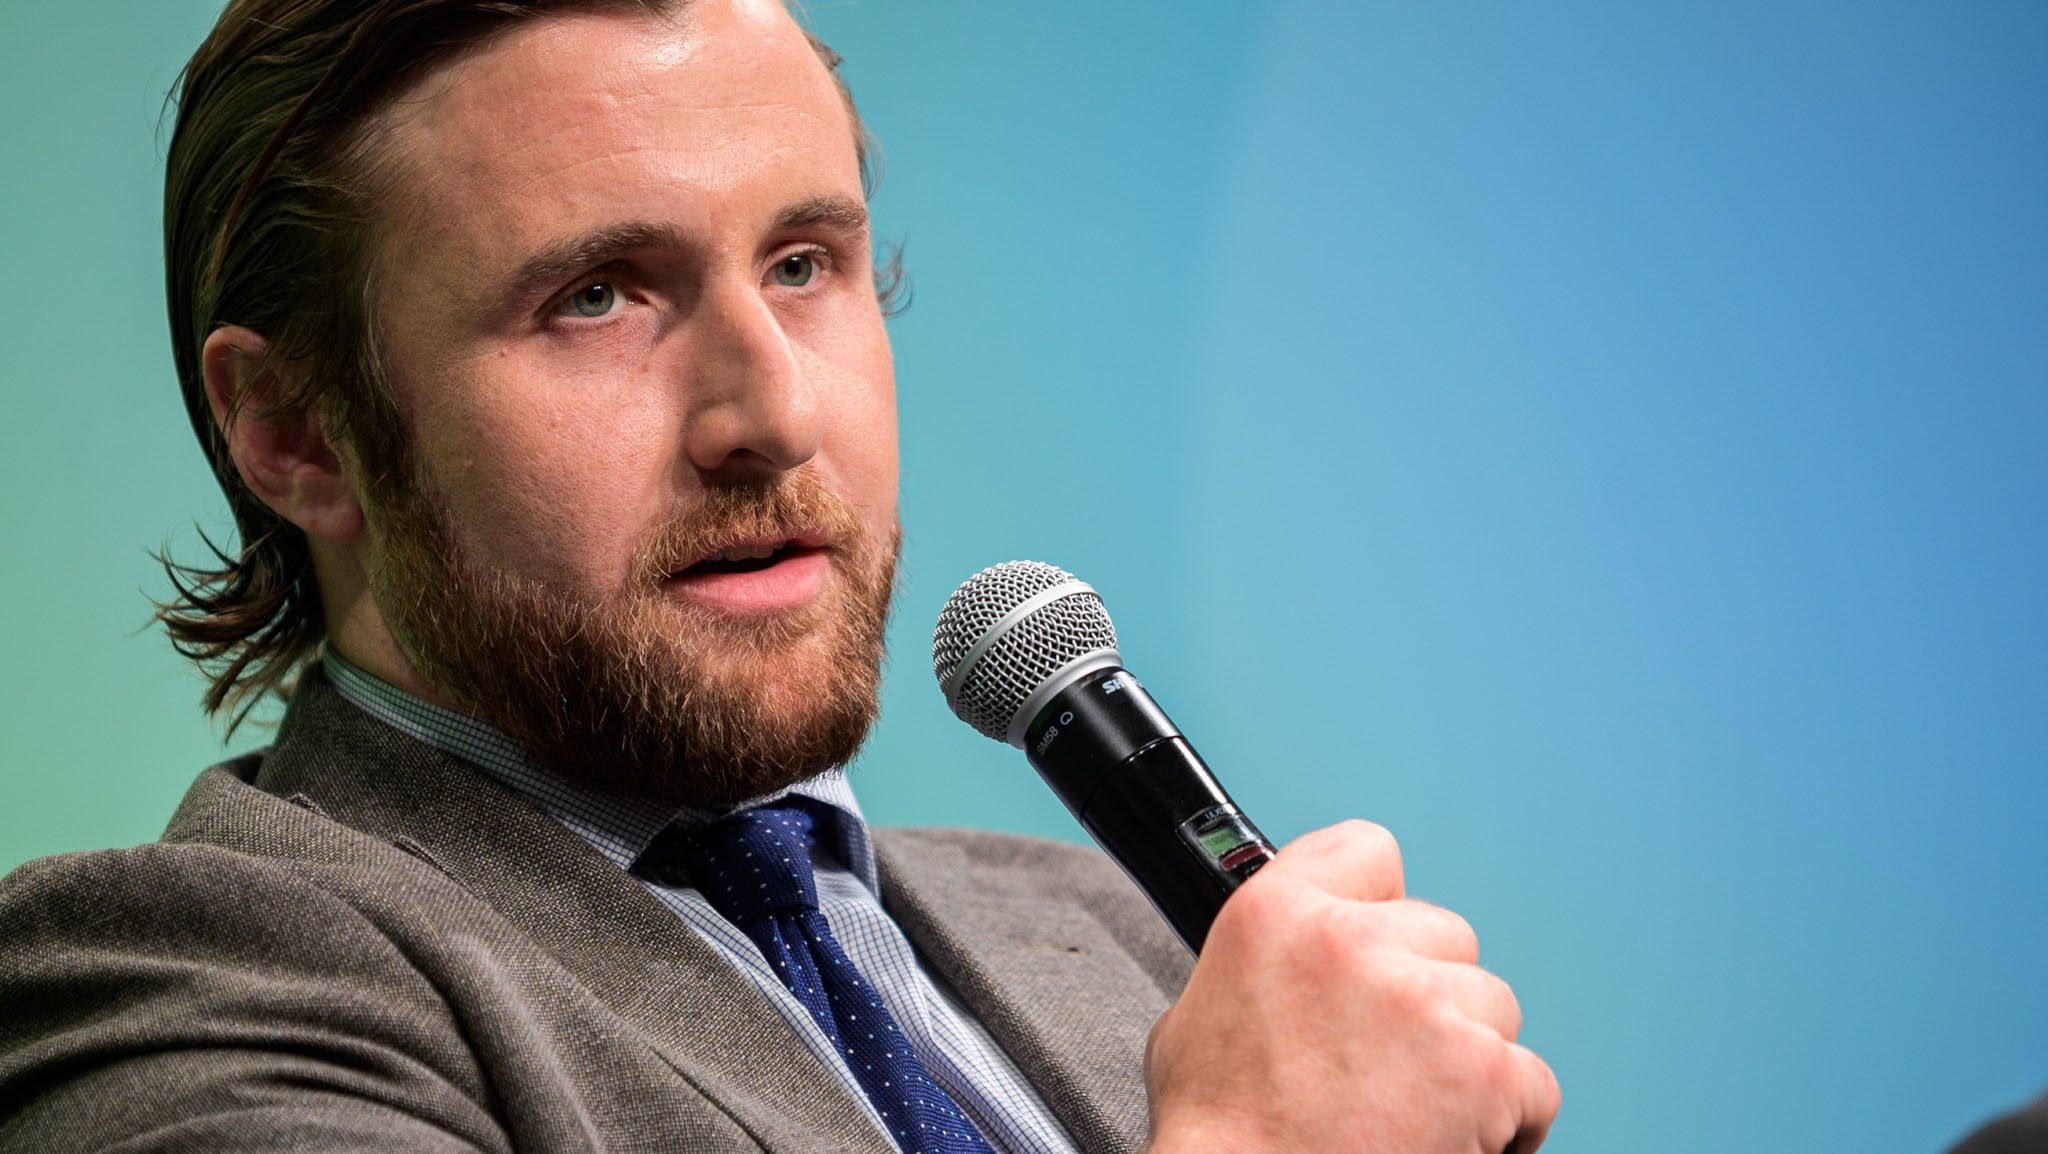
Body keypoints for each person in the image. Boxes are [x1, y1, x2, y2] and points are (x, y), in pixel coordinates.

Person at [0, 0, 1560, 1150]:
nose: (774, 414)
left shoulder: (1118, 925)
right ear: (294, 430)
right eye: (597, 296)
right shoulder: (174, 983)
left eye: (803, 263)